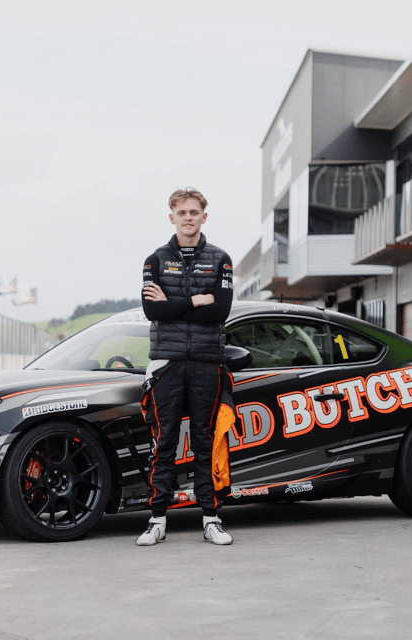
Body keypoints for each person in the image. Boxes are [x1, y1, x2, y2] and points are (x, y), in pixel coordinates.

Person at [137, 187, 234, 546]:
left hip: (208, 362)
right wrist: (196, 299)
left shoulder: (221, 259)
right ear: (172, 217)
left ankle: (211, 518)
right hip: (168, 365)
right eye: (182, 212)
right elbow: (152, 311)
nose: (189, 217)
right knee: (164, 442)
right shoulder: (155, 261)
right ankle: (157, 519)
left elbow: (220, 311)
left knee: (205, 441)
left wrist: (173, 303)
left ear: (204, 217)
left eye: (195, 212)